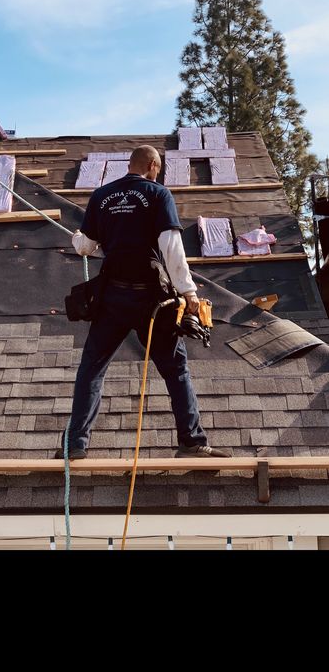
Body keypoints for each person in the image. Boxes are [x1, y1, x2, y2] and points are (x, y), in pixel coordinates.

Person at [56, 145, 232, 460]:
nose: (158, 172)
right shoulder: (157, 194)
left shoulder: (101, 196)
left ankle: (75, 446)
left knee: (92, 368)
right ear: (151, 165)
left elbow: (84, 246)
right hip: (151, 299)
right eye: (158, 168)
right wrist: (189, 292)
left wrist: (76, 238)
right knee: (176, 369)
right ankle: (191, 442)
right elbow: (170, 245)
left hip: (113, 297)